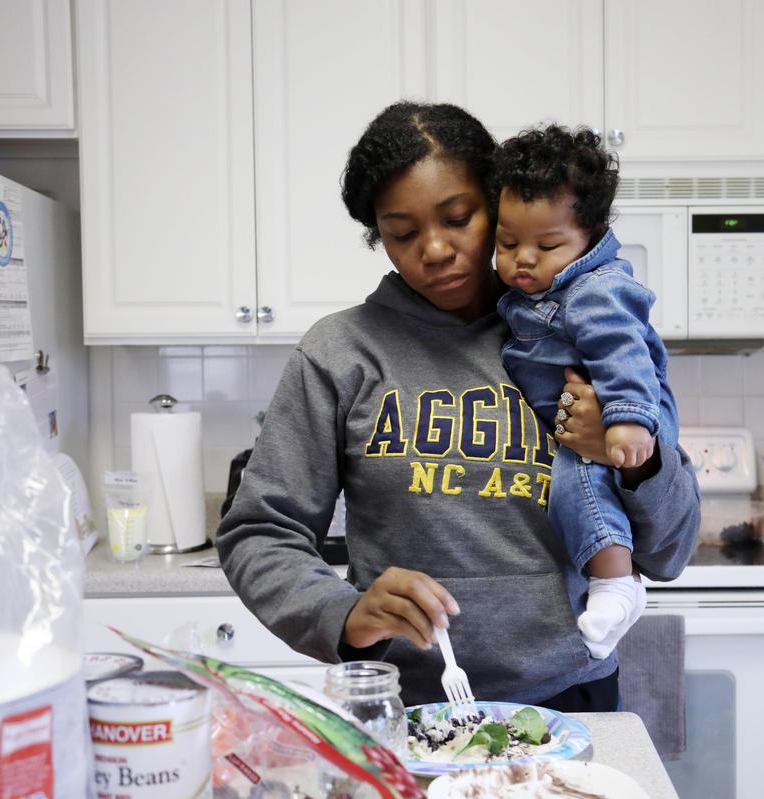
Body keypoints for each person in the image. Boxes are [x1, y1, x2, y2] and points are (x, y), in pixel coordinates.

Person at [216, 102, 700, 712]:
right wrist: (342, 612)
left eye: (458, 218)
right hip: (406, 704)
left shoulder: (590, 331)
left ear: (498, 205)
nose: (436, 249)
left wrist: (634, 460)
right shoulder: (340, 353)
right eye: (402, 233)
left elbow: (670, 551)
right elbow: (260, 531)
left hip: (570, 695)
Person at [494, 125, 680, 658]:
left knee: (579, 481)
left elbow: (622, 349)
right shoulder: (530, 296)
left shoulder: (593, 290)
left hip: (620, 418)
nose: (523, 258)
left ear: (591, 238)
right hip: (587, 421)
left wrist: (625, 419)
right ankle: (614, 581)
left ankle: (617, 583)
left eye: (547, 245)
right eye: (507, 243)